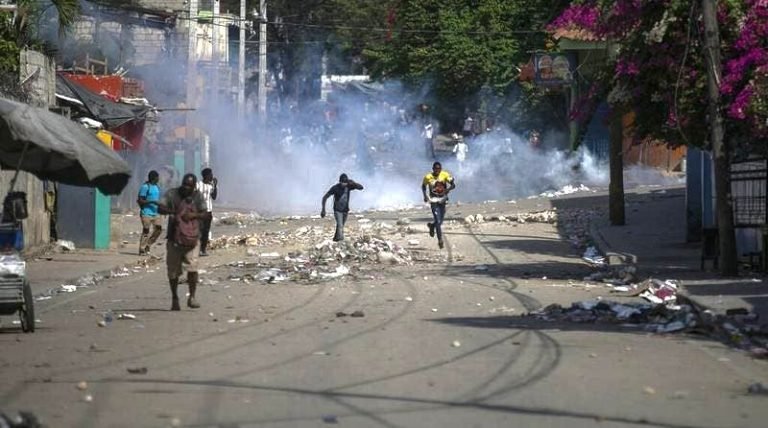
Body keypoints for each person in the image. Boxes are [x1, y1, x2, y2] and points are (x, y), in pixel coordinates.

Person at [158, 173, 210, 311]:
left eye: (190, 186)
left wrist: (194, 215)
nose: (186, 188)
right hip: (174, 239)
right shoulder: (172, 194)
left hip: (193, 239)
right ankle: (175, 298)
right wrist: (173, 213)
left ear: (194, 187)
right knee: (173, 272)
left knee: (192, 268)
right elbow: (160, 207)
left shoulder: (198, 196)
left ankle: (192, 297)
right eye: (185, 184)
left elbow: (206, 214)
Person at [421, 161, 456, 249]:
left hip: (443, 200)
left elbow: (453, 184)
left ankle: (432, 226)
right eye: (436, 169)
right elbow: (423, 186)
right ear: (433, 169)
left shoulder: (445, 175)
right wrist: (425, 195)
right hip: (433, 200)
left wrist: (448, 189)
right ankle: (440, 240)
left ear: (441, 169)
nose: (437, 171)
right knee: (437, 219)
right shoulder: (428, 177)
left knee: (439, 222)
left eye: (439, 169)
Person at [321, 174, 364, 242]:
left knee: (340, 226)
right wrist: (323, 210)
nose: (344, 184)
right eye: (343, 182)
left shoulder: (349, 186)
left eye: (345, 182)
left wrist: (354, 183)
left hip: (345, 211)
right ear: (340, 182)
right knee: (340, 226)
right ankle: (341, 242)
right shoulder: (335, 188)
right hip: (337, 210)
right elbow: (325, 197)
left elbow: (361, 187)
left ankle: (335, 239)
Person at [137, 170, 162, 255]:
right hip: (146, 213)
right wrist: (152, 202)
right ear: (154, 178)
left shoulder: (157, 187)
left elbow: (158, 199)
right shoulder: (145, 187)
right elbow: (140, 200)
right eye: (157, 177)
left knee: (158, 229)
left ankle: (148, 244)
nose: (159, 178)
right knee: (146, 231)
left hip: (156, 213)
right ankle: (142, 249)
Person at [196, 168, 218, 256]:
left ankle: (203, 250)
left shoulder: (211, 185)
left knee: (206, 231)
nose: (212, 176)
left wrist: (215, 186)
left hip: (208, 211)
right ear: (206, 176)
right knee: (199, 231)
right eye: (211, 174)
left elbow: (214, 197)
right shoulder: (198, 185)